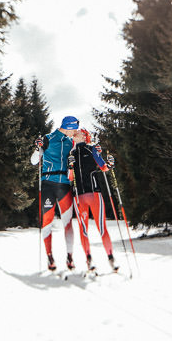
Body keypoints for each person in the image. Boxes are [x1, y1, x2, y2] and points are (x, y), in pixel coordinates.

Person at [31, 115, 83, 271]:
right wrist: (37, 148)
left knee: (68, 222)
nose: (74, 132)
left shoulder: (71, 142)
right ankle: (49, 256)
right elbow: (33, 161)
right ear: (67, 127)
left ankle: (69, 256)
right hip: (48, 184)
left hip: (65, 185)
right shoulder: (47, 138)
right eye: (73, 129)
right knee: (47, 221)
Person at [68, 129, 118, 272]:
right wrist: (70, 167)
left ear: (84, 136)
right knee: (83, 230)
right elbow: (70, 178)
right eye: (75, 133)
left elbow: (103, 167)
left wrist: (109, 164)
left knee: (101, 227)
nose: (76, 134)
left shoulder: (91, 150)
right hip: (79, 196)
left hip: (95, 195)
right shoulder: (70, 154)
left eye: (79, 133)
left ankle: (111, 258)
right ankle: (89, 259)